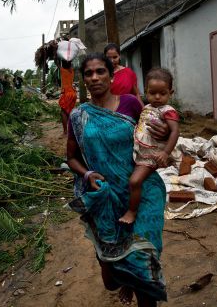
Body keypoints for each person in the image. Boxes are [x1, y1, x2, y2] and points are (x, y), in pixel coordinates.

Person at [66, 53, 168, 307]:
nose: (95, 77)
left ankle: (140, 285)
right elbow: (71, 158)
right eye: (89, 73)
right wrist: (87, 174)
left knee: (144, 261)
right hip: (105, 198)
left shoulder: (132, 104)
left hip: (141, 191)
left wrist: (164, 132)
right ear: (84, 81)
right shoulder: (79, 116)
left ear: (112, 76)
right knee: (112, 279)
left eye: (101, 71)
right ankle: (125, 280)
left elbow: (155, 134)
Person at [120, 68, 180, 225]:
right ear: (145, 91)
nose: (158, 97)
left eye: (163, 93)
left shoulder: (168, 111)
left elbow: (175, 132)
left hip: (152, 154)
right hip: (141, 150)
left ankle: (132, 211)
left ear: (170, 93)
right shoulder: (146, 108)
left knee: (134, 181)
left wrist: (166, 153)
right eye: (153, 93)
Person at [58, 59, 76, 135]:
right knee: (70, 111)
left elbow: (57, 62)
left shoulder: (62, 70)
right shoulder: (72, 70)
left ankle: (65, 131)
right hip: (73, 93)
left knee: (63, 112)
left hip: (66, 93)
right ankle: (71, 130)